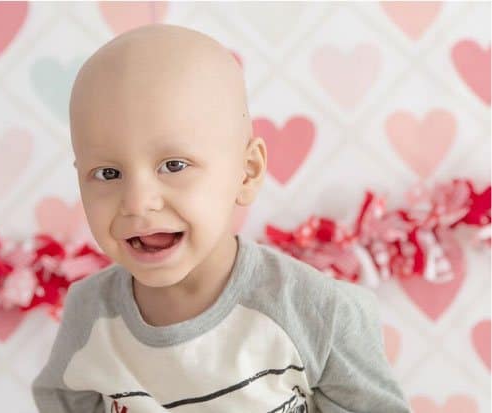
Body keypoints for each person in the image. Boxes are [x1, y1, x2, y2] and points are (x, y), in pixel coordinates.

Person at [32, 23, 411, 413]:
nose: (137, 202)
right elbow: (61, 400)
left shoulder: (316, 312)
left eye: (174, 165)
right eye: (108, 173)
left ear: (246, 172)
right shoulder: (90, 314)